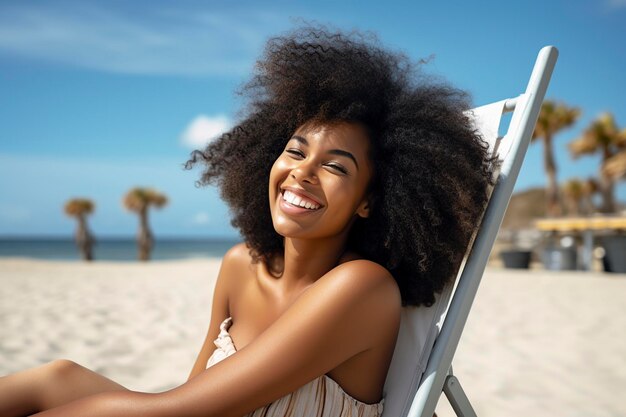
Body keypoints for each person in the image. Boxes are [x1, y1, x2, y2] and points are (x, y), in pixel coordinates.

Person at [0, 25, 494, 417]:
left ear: (369, 201)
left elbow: (176, 413)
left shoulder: (361, 287)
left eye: (336, 166)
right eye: (295, 151)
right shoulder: (240, 266)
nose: (302, 172)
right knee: (56, 377)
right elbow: (189, 397)